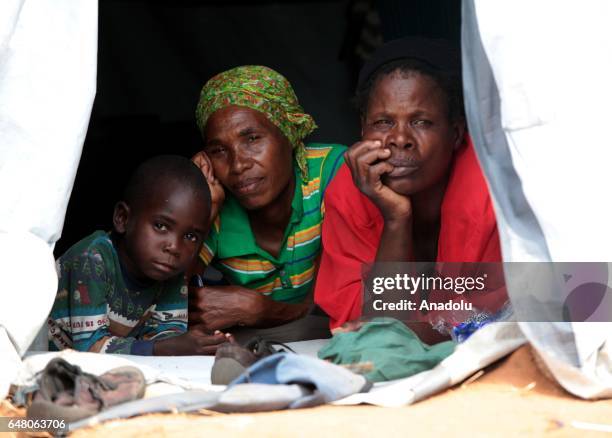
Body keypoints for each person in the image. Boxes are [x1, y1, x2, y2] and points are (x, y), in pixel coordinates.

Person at [314, 37, 507, 342]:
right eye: (383, 122)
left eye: (421, 121)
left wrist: (411, 330)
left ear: (456, 133)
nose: (399, 138)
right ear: (362, 130)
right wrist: (396, 217)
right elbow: (370, 329)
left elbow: (501, 317)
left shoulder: (492, 187)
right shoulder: (349, 188)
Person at [189, 66, 346, 338]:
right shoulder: (214, 197)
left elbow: (342, 305)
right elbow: (165, 306)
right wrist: (204, 210)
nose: (238, 165)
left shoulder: (333, 173)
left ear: (289, 133)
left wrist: (262, 311)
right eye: (219, 150)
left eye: (252, 139)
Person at [48, 155, 231, 355]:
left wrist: (197, 343)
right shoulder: (92, 259)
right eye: (161, 226)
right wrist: (163, 347)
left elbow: (169, 335)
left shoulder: (170, 271)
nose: (174, 247)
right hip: (40, 361)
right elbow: (91, 348)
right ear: (123, 218)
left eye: (190, 236)